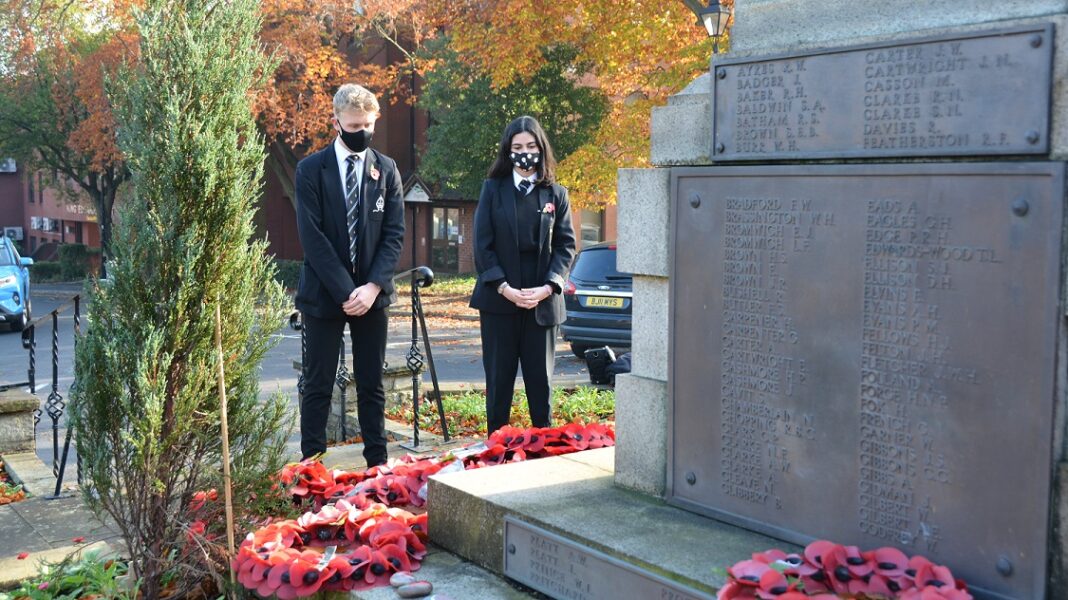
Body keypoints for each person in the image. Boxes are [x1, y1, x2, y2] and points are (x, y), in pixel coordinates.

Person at [294, 84, 405, 466]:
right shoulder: (310, 169)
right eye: (354, 124)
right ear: (336, 122)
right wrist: (347, 291)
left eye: (368, 125)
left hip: (373, 295)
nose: (362, 132)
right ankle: (312, 467)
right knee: (318, 384)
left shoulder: (386, 169)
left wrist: (372, 287)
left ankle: (377, 464)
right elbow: (312, 236)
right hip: (325, 295)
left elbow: (394, 234)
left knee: (372, 382)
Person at [470, 115, 577, 434]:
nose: (524, 152)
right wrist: (504, 287)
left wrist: (548, 288)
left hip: (542, 305)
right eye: (517, 146)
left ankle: (542, 453)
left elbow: (566, 246)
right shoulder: (492, 190)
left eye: (531, 145)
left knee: (540, 386)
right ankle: (495, 451)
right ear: (508, 151)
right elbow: (482, 244)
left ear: (541, 149)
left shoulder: (557, 194)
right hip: (499, 301)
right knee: (499, 383)